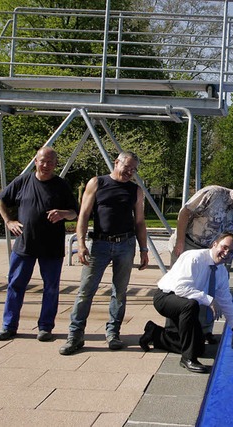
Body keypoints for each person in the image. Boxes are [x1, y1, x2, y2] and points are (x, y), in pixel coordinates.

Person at [59, 151, 149, 355]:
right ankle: (75, 334)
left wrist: (143, 249)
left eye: (134, 169)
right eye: (127, 167)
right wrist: (81, 244)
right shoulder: (97, 183)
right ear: (116, 163)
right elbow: (83, 215)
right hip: (100, 244)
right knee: (85, 291)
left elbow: (140, 222)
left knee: (120, 292)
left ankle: (113, 333)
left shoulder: (135, 190)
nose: (130, 172)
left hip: (125, 244)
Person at [0, 146, 78, 342]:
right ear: (35, 161)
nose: (46, 165)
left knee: (51, 288)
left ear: (56, 164)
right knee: (15, 285)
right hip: (24, 246)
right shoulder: (23, 181)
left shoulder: (61, 185)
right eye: (43, 161)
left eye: (50, 162)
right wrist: (9, 221)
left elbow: (75, 212)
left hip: (51, 248)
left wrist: (63, 214)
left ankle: (45, 327)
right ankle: (9, 326)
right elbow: (1, 198)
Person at [167, 181, 233, 344]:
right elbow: (185, 212)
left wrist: (227, 259)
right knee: (180, 289)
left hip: (212, 253)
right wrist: (180, 241)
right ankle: (172, 331)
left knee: (211, 291)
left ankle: (205, 331)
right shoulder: (213, 193)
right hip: (189, 244)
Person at [140, 232, 233, 373]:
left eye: (231, 252)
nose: (226, 253)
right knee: (191, 305)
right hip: (166, 298)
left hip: (185, 303)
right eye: (224, 247)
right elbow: (181, 289)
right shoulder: (194, 258)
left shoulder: (221, 272)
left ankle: (155, 334)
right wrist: (209, 299)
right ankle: (188, 359)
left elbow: (225, 300)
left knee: (199, 348)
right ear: (214, 244)